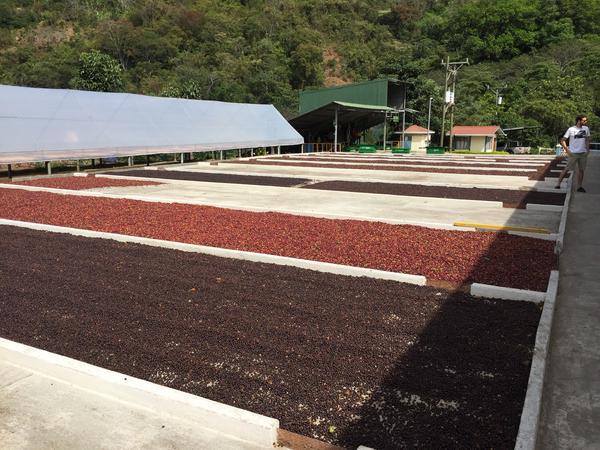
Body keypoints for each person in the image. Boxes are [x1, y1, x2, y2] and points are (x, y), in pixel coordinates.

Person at [555, 114, 591, 192]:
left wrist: (588, 149)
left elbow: (587, 139)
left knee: (581, 170)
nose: (586, 122)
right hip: (573, 153)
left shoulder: (586, 129)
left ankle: (579, 186)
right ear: (579, 121)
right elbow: (562, 140)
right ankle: (558, 184)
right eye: (584, 120)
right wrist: (567, 150)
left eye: (586, 120)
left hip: (583, 153)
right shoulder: (571, 129)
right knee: (567, 169)